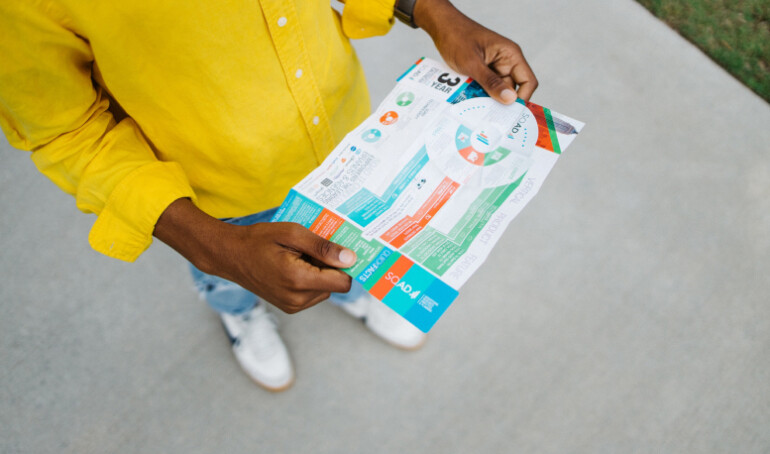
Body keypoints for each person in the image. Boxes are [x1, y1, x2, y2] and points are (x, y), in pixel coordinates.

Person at [0, 0, 537, 391]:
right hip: (218, 193)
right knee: (230, 277)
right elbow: (63, 127)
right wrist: (212, 246)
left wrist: (429, 9)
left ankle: (351, 292)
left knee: (349, 246)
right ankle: (237, 310)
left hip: (345, 135)